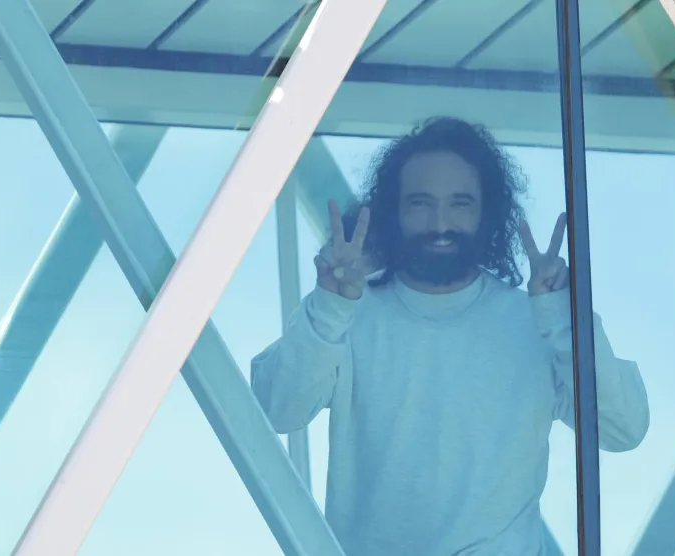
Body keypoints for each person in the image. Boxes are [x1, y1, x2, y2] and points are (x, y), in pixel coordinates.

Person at [252, 117, 649, 555]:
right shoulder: (348, 314)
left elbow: (624, 428)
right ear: (394, 212)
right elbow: (274, 409)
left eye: (460, 203)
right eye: (420, 203)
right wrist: (329, 305)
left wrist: (563, 320)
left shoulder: (537, 322)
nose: (440, 223)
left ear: (487, 214)